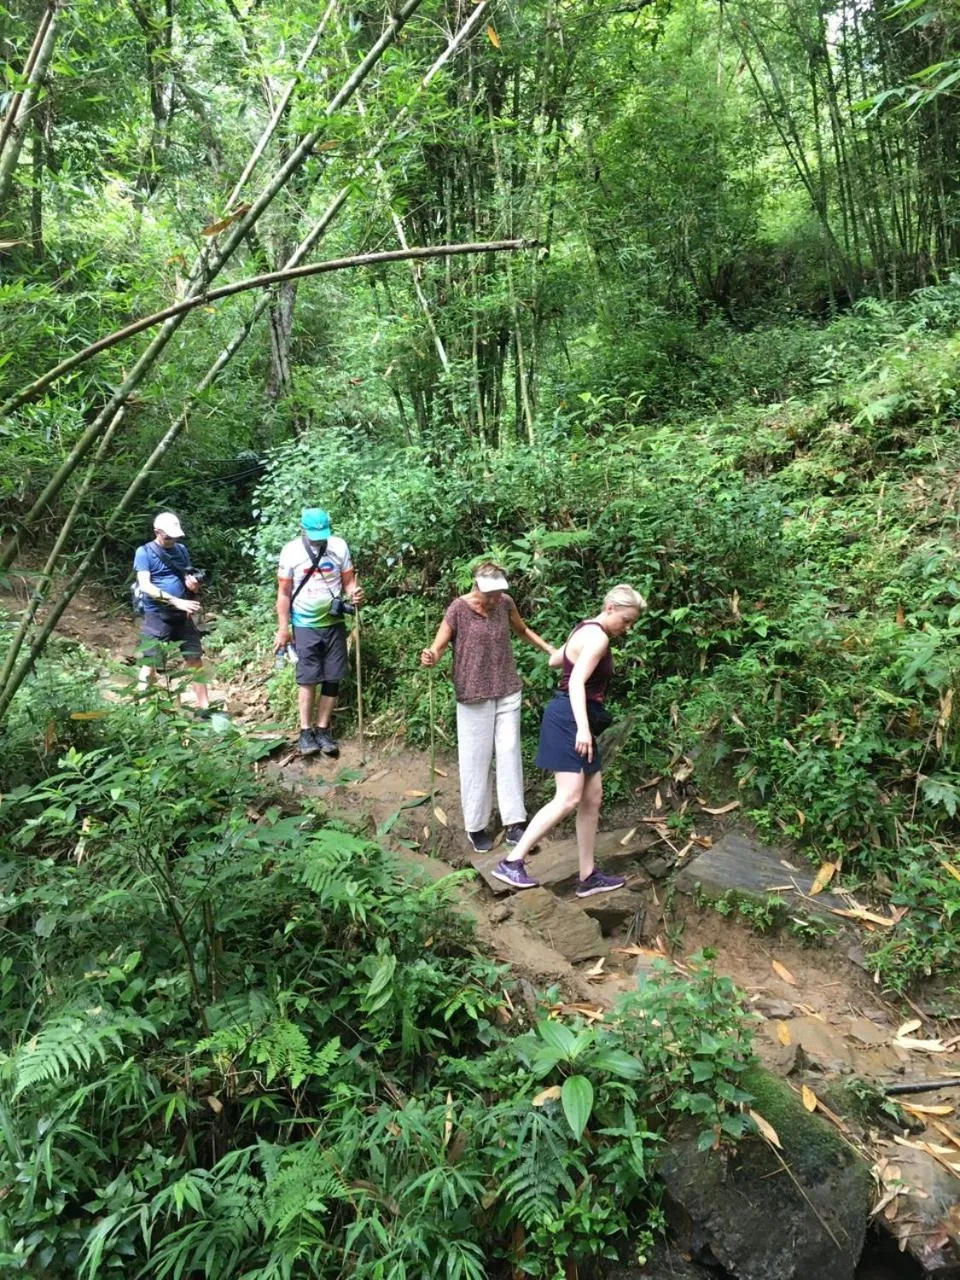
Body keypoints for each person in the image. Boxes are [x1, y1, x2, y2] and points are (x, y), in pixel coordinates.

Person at [492, 584, 646, 896]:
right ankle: (512, 861)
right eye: (626, 620)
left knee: (592, 797)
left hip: (573, 716)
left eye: (632, 623)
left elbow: (556, 661)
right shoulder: (599, 636)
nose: (627, 628)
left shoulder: (584, 629)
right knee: (570, 797)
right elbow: (575, 681)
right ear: (610, 608)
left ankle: (588, 876)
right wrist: (583, 728)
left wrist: (566, 654)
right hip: (570, 719)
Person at [421, 561, 558, 853]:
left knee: (509, 752)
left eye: (499, 593)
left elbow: (522, 630)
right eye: (491, 594)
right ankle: (476, 825)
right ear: (477, 587)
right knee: (476, 759)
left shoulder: (505, 603)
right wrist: (431, 655)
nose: (497, 598)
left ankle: (514, 822)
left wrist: (550, 650)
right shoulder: (458, 609)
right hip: (473, 694)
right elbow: (440, 646)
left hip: (507, 688)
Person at [275, 508, 363, 759]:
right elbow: (283, 592)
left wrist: (355, 593)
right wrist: (284, 628)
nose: (318, 539)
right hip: (304, 624)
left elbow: (348, 582)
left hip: (334, 622)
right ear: (303, 529)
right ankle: (305, 732)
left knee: (333, 678)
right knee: (308, 678)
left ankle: (323, 729)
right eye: (313, 534)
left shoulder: (339, 547)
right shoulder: (291, 552)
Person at [135, 511, 210, 713]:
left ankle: (204, 707)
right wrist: (176, 601)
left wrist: (192, 586)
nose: (172, 540)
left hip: (183, 614)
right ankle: (141, 710)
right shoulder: (144, 553)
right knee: (150, 662)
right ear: (157, 532)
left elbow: (187, 575)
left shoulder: (182, 550)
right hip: (157, 614)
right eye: (168, 536)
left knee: (194, 657)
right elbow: (146, 586)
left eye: (175, 536)